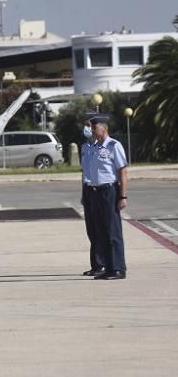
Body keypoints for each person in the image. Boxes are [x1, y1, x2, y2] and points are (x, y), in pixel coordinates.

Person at [80, 114, 128, 280]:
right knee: (100, 232)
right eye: (91, 127)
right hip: (94, 192)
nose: (92, 130)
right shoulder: (92, 147)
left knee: (112, 231)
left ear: (104, 127)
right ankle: (107, 267)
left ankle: (118, 268)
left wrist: (123, 196)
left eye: (94, 127)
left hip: (109, 191)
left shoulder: (114, 146)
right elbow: (87, 172)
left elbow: (122, 171)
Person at [78, 118, 104, 277]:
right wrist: (82, 192)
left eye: (89, 126)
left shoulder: (101, 147)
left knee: (100, 229)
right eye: (86, 126)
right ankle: (95, 265)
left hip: (98, 190)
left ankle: (102, 264)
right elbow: (84, 171)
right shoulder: (84, 147)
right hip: (87, 189)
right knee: (91, 230)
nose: (87, 129)